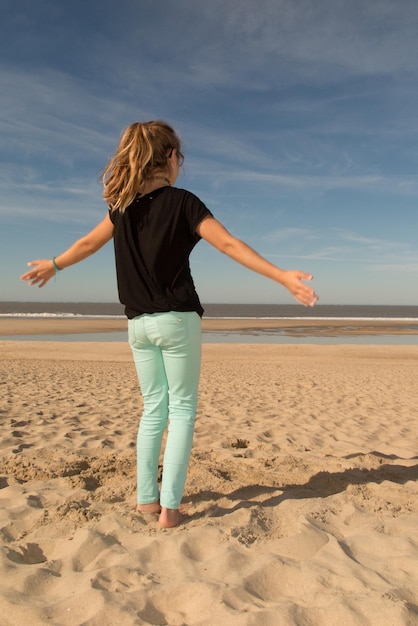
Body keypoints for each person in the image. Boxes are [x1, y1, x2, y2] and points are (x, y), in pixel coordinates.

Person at [21, 120, 318, 528]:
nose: (182, 164)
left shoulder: (121, 207)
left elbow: (88, 243)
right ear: (170, 158)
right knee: (181, 411)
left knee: (152, 411)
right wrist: (281, 275)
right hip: (177, 320)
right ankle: (170, 510)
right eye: (182, 157)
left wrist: (54, 264)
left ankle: (146, 501)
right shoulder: (183, 202)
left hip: (138, 326)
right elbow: (228, 243)